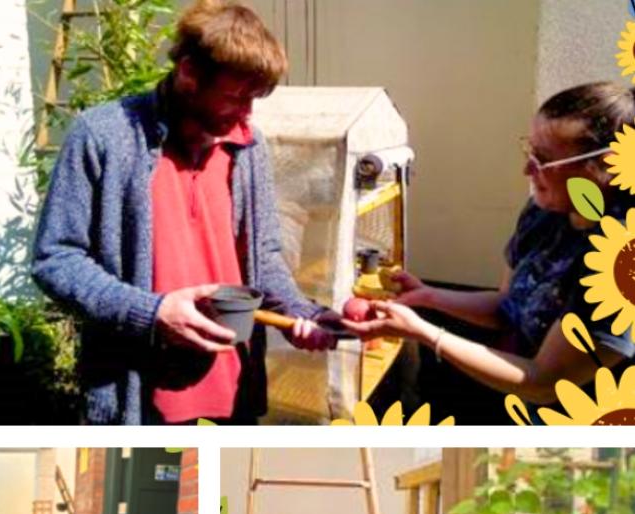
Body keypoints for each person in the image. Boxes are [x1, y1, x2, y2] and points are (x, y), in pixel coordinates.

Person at [31, 0, 338, 426]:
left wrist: (300, 312)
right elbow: (56, 258)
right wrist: (152, 312)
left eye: (254, 99)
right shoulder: (102, 136)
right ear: (190, 74)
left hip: (234, 393)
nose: (247, 114)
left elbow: (263, 256)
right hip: (139, 401)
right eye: (236, 97)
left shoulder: (248, 147)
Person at [344, 82, 635, 423]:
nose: (527, 170)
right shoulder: (544, 211)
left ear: (606, 166)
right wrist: (429, 297)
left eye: (544, 159)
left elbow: (545, 383)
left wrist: (423, 332)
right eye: (529, 151)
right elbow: (507, 307)